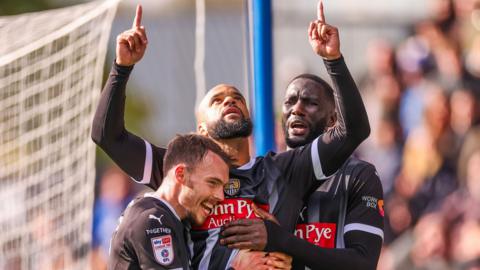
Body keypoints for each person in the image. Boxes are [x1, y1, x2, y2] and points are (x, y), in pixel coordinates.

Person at [91, 2, 370, 269]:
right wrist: (121, 68)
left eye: (237, 98)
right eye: (217, 100)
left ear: (250, 117)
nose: (230, 101)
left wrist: (333, 60)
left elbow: (353, 130)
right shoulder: (181, 171)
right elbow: (108, 136)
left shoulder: (284, 171)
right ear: (200, 129)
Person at [220, 2, 384, 270]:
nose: (297, 108)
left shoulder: (357, 176)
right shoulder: (264, 174)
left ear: (333, 119)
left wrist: (333, 60)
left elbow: (362, 264)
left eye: (310, 102)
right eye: (290, 101)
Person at [108, 134, 230, 270]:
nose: (221, 197)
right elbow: (106, 135)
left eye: (223, 187)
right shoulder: (153, 220)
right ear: (181, 175)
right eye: (212, 182)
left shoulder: (167, 216)